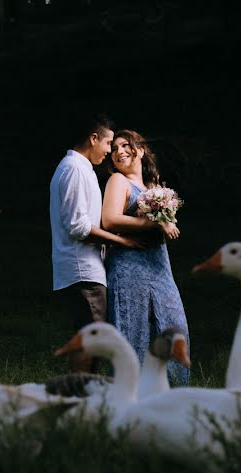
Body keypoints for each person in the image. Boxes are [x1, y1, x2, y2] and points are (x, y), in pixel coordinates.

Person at [49, 113, 143, 373]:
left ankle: (80, 397)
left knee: (92, 338)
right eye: (108, 144)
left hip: (87, 267)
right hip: (82, 269)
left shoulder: (81, 168)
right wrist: (121, 241)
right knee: (92, 340)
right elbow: (78, 227)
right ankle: (74, 398)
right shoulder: (74, 169)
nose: (109, 151)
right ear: (93, 138)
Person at [101, 129, 190, 386]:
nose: (119, 151)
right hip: (130, 266)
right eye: (115, 148)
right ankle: (130, 397)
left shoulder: (153, 186)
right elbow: (109, 220)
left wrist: (163, 216)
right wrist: (153, 222)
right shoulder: (118, 181)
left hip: (160, 267)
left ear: (140, 150)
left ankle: (172, 391)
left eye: (125, 145)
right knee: (134, 330)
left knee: (172, 325)